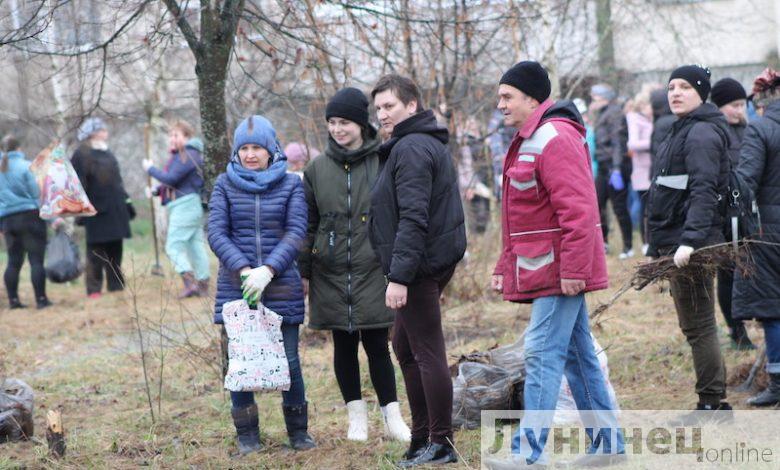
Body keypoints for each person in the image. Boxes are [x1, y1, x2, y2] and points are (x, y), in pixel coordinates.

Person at [485, 61, 624, 469]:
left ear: (532, 98)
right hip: (545, 267)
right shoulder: (529, 138)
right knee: (576, 357)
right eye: (500, 97)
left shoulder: (554, 137)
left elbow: (580, 212)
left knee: (541, 353)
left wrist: (576, 271)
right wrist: (502, 262)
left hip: (559, 271)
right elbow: (522, 217)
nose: (501, 104)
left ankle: (527, 454)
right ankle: (610, 445)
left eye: (507, 97)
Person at [299, 87, 411, 442]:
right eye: (331, 122)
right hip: (330, 271)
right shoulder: (316, 168)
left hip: (373, 266)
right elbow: (308, 223)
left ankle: (393, 418)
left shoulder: (383, 159)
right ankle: (356, 419)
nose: (337, 129)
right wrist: (305, 270)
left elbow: (396, 214)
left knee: (378, 343)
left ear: (361, 123)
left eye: (344, 122)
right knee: (343, 345)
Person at [369, 74, 466, 467]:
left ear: (412, 106)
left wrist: (399, 277)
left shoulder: (410, 148)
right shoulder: (409, 145)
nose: (382, 114)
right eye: (377, 109)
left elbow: (413, 218)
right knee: (405, 347)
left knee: (426, 351)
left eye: (389, 106)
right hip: (420, 263)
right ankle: (423, 436)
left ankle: (441, 442)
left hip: (418, 267)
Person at [207, 115, 315, 454]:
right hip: (236, 288)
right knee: (239, 361)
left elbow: (296, 231)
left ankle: (298, 434)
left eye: (257, 148)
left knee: (290, 362)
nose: (250, 154)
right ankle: (248, 437)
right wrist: (242, 270)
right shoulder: (224, 184)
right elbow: (216, 232)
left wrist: (268, 270)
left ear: (272, 150)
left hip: (281, 285)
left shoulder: (291, 185)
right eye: (244, 148)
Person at [646, 65, 732, 418]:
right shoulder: (680, 129)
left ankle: (712, 404)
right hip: (677, 242)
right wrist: (656, 245)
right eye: (671, 87)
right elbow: (666, 190)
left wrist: (690, 242)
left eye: (684, 86)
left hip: (691, 247)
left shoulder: (699, 134)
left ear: (702, 92)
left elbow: (704, 190)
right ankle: (713, 401)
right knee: (695, 324)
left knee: (700, 326)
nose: (675, 93)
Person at [732, 68, 780, 406]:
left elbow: (745, 181)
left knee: (773, 310)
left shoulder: (760, 129)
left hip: (770, 233)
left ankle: (777, 386)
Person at [710, 77, 755, 350]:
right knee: (728, 273)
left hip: (749, 215)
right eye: (734, 105)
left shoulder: (750, 131)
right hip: (725, 217)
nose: (739, 110)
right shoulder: (715, 133)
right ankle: (736, 330)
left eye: (742, 105)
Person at [143, 120, 210, 298]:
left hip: (185, 205)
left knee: (172, 246)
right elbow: (179, 182)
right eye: (170, 135)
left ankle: (190, 283)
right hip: (188, 204)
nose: (172, 139)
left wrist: (150, 169)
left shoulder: (188, 154)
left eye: (176, 135)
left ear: (187, 137)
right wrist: (157, 191)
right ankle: (203, 284)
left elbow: (171, 179)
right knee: (194, 245)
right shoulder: (184, 155)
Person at [71, 117, 134, 298]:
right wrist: (81, 207)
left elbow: (117, 181)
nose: (106, 132)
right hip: (96, 210)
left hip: (115, 208)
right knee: (95, 251)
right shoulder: (81, 153)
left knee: (115, 248)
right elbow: (78, 184)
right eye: (102, 129)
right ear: (94, 133)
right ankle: (94, 289)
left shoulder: (108, 152)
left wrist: (126, 202)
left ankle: (116, 286)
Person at [0, 135, 52, 309]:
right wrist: (50, 217)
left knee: (13, 261)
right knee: (36, 260)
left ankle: (13, 301)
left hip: (7, 220)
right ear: (19, 149)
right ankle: (41, 300)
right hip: (30, 218)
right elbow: (36, 193)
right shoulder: (26, 166)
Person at [591, 83, 633, 259]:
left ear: (606, 98)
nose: (593, 100)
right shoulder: (601, 114)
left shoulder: (615, 113)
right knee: (596, 205)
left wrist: (616, 168)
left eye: (596, 97)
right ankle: (604, 243)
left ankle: (628, 246)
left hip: (614, 166)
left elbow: (618, 142)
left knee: (619, 208)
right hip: (602, 165)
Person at [626, 89, 654, 255]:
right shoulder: (635, 120)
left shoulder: (648, 119)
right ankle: (645, 242)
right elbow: (633, 144)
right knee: (645, 208)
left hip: (651, 169)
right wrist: (654, 142)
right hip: (642, 171)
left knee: (652, 208)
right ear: (643, 105)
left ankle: (650, 241)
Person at [457, 116, 492, 234]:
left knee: (486, 212)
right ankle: (476, 241)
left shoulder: (484, 137)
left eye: (473, 121)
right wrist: (469, 186)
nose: (472, 124)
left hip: (486, 179)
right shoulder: (465, 141)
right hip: (474, 182)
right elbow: (465, 166)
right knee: (478, 213)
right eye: (469, 122)